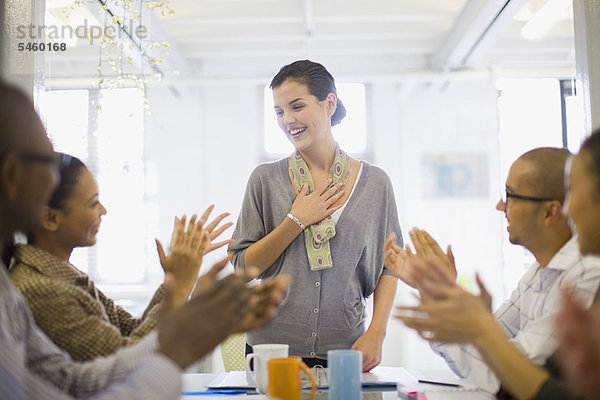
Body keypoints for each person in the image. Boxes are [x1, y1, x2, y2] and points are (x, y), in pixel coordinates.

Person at [0, 80, 289, 398]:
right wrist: (178, 294)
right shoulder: (38, 288)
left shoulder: (42, 283)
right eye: (45, 158)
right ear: (13, 174)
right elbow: (118, 363)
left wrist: (179, 295)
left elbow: (88, 371)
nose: (104, 210)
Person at [228, 59, 402, 371]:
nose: (287, 120)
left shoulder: (376, 184)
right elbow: (244, 268)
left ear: (329, 103)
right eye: (279, 112)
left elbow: (390, 265)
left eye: (297, 106)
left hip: (347, 352)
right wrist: (295, 220)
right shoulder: (264, 180)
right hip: (272, 351)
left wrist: (378, 331)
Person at [386, 147, 600, 394]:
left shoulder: (587, 272)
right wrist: (437, 291)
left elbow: (514, 372)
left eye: (510, 195)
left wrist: (448, 299)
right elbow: (487, 355)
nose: (500, 206)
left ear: (550, 211)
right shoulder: (538, 272)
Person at [9, 152, 233, 361]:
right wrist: (181, 285)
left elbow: (134, 332)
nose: (103, 211)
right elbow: (125, 361)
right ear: (50, 219)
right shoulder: (41, 290)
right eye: (93, 203)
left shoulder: (65, 276)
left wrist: (176, 278)